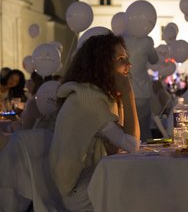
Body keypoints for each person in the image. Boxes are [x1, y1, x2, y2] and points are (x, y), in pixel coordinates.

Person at [49, 33, 140, 211]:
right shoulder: (88, 99)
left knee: (135, 181)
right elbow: (132, 144)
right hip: (77, 190)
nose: (128, 65)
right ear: (102, 64)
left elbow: (115, 148)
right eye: (121, 59)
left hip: (89, 179)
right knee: (137, 185)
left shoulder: (99, 96)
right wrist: (128, 94)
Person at [124, 35, 159, 142]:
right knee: (143, 128)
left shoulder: (122, 37)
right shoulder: (146, 41)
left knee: (127, 127)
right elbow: (154, 59)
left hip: (124, 89)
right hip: (142, 90)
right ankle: (143, 156)